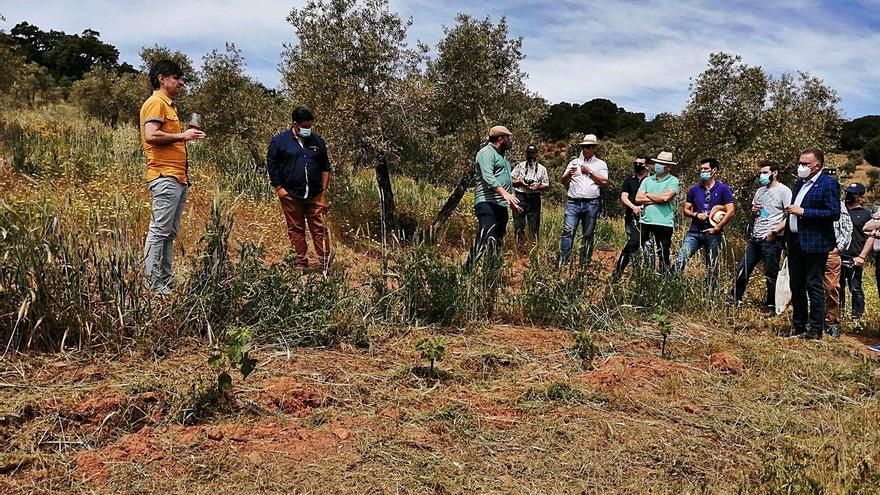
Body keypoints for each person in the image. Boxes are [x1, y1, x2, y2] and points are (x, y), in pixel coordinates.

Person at [140, 60, 205, 294]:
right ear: (162, 78)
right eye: (177, 78)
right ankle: (153, 285)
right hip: (165, 175)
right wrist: (182, 136)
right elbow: (151, 135)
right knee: (159, 231)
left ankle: (165, 281)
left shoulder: (168, 105)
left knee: (169, 232)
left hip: (177, 177)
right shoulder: (156, 103)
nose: (181, 82)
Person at [267, 106, 333, 270]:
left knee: (320, 228)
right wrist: (279, 189)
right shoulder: (279, 141)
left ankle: (324, 262)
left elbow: (326, 167)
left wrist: (324, 192)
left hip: (316, 194)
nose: (307, 130)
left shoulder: (318, 142)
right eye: (304, 127)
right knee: (296, 229)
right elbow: (272, 165)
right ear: (294, 124)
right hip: (290, 194)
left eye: (310, 126)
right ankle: (301, 262)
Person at [784, 148, 840, 340]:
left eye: (805, 164)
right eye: (800, 163)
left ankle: (815, 330)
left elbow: (834, 213)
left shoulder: (828, 184)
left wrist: (805, 212)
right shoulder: (800, 182)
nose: (801, 167)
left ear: (817, 165)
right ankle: (798, 326)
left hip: (815, 243)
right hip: (795, 241)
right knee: (796, 284)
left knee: (813, 284)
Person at [731, 161, 792, 311]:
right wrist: (755, 210)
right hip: (756, 237)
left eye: (765, 173)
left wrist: (774, 232)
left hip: (772, 239)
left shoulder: (784, 191)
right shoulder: (760, 191)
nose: (762, 176)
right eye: (760, 173)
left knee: (771, 274)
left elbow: (789, 216)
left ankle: (771, 304)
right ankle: (734, 299)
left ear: (775, 173)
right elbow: (760, 211)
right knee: (743, 269)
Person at [464, 125, 521, 272]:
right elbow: (488, 177)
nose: (510, 141)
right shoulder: (486, 153)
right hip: (486, 202)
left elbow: (505, 181)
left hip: (501, 205)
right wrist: (505, 194)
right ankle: (467, 272)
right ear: (501, 139)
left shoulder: (502, 157)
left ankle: (490, 274)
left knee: (497, 241)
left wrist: (510, 200)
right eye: (508, 138)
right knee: (485, 236)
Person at [673, 158, 735, 287]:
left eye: (706, 169)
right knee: (681, 259)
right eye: (701, 169)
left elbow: (731, 211)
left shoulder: (723, 188)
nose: (703, 172)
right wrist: (695, 214)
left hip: (713, 233)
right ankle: (670, 285)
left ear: (714, 170)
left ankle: (710, 291)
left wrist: (717, 228)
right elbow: (685, 209)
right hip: (694, 232)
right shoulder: (694, 189)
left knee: (712, 264)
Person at [558, 134, 609, 265]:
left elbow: (604, 181)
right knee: (568, 232)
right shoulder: (573, 162)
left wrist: (589, 172)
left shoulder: (600, 164)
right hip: (573, 202)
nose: (585, 149)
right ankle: (564, 261)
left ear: (594, 149)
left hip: (591, 203)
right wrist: (569, 174)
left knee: (588, 234)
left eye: (588, 147)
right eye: (584, 147)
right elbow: (563, 181)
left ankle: (584, 262)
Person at [636, 151, 680, 272]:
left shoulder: (673, 180)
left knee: (663, 252)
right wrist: (658, 198)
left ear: (667, 167)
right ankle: (645, 274)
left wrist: (648, 194)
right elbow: (638, 198)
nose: (657, 166)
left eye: (661, 164)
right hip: (646, 221)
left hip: (664, 223)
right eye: (657, 163)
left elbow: (666, 198)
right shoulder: (647, 180)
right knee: (641, 249)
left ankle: (664, 278)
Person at [839, 183, 873, 325]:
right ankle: (838, 315)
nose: (849, 196)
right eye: (848, 192)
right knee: (837, 287)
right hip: (839, 254)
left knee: (855, 288)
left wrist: (862, 256)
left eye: (852, 194)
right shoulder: (840, 211)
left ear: (860, 197)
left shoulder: (866, 214)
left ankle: (856, 318)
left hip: (855, 256)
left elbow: (871, 237)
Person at [613, 156, 649, 278]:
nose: (637, 165)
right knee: (631, 244)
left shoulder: (652, 181)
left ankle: (646, 272)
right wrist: (633, 207)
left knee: (647, 245)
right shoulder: (629, 180)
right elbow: (624, 196)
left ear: (647, 166)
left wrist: (641, 208)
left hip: (648, 217)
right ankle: (634, 270)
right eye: (636, 163)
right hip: (630, 216)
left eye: (641, 163)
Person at [510, 144, 549, 250]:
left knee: (534, 223)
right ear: (526, 154)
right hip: (520, 196)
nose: (531, 155)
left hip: (534, 197)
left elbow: (546, 184)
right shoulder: (520, 166)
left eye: (533, 153)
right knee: (518, 223)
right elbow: (511, 180)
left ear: (537, 154)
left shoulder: (542, 169)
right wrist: (520, 182)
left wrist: (538, 186)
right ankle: (519, 248)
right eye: (529, 153)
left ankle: (533, 248)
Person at [823, 199, 852, 336]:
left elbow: (847, 228)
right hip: (811, 250)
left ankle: (831, 321)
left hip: (830, 252)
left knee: (831, 287)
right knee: (811, 285)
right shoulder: (808, 199)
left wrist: (837, 249)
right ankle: (813, 319)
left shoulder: (837, 204)